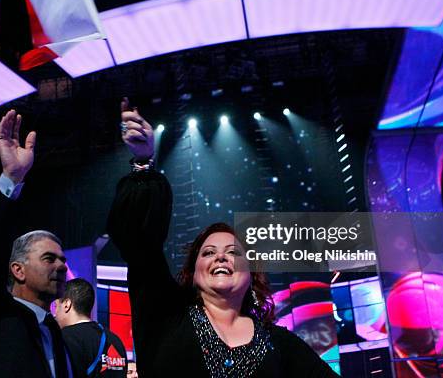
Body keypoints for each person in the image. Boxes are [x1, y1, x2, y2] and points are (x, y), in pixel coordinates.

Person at [107, 98, 338, 377]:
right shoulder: (166, 317)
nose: (220, 256)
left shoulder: (280, 345)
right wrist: (143, 162)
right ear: (193, 274)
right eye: (207, 252)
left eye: (233, 252)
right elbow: (139, 243)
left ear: (251, 274)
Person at [0, 110, 72, 377]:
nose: (60, 266)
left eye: (62, 260)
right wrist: (11, 178)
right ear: (17, 270)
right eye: (49, 258)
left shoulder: (54, 331)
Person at [55, 278, 128, 378]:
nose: (55, 313)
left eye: (56, 306)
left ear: (67, 304)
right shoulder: (115, 340)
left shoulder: (64, 337)